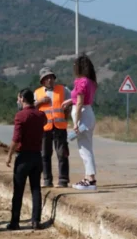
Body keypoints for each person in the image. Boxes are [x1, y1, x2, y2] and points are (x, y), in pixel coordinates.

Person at [6, 88, 47, 230]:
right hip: (37, 156)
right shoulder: (41, 115)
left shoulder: (20, 116)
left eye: (19, 98)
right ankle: (36, 221)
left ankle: (15, 222)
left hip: (23, 157)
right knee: (36, 189)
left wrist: (9, 155)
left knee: (18, 190)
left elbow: (16, 139)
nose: (18, 101)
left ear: (22, 99)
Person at [62, 54, 98, 191]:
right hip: (88, 114)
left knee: (84, 150)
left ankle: (90, 180)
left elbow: (80, 103)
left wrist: (75, 123)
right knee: (86, 148)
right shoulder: (90, 81)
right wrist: (69, 101)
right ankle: (89, 177)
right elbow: (80, 99)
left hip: (83, 115)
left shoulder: (80, 82)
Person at [34, 67, 71, 188]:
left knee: (62, 154)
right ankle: (47, 180)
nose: (49, 80)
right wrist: (39, 102)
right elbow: (31, 107)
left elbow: (72, 101)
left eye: (51, 77)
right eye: (46, 78)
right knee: (45, 155)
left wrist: (68, 112)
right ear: (42, 81)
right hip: (44, 128)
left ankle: (63, 180)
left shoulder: (63, 90)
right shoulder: (37, 93)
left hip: (60, 127)